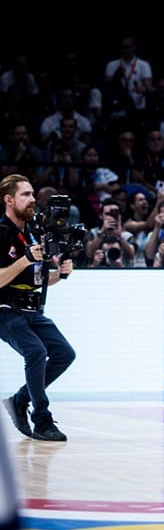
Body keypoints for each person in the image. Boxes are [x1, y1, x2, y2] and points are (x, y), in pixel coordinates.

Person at [0, 174, 77, 441]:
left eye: (33, 194)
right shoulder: (2, 233)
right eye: (26, 195)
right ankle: (42, 420)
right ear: (9, 200)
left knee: (64, 353)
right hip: (5, 310)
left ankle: (19, 400)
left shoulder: (31, 232)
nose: (33, 199)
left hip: (32, 309)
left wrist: (61, 274)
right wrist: (24, 259)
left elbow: (39, 278)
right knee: (35, 351)